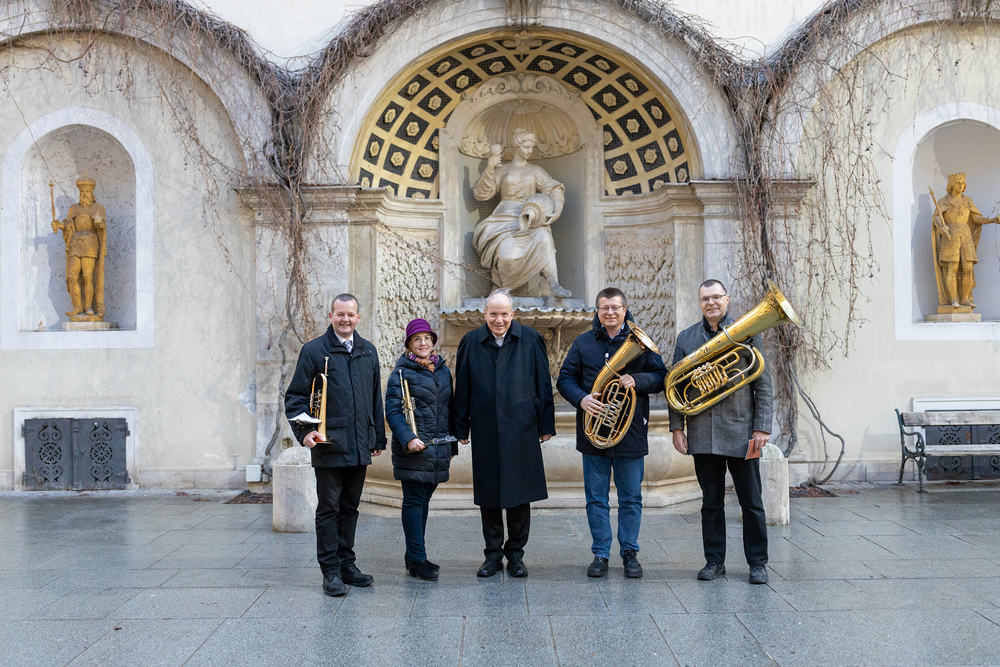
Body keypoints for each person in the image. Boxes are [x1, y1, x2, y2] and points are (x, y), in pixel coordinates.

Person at [557, 288, 666, 579]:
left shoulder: (641, 342)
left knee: (631, 498)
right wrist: (581, 399)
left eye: (615, 307)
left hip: (630, 431)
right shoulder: (583, 342)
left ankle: (629, 552)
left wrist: (637, 379)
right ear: (597, 311)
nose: (610, 312)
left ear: (625, 310)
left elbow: (661, 377)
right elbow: (565, 379)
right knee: (596, 498)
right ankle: (600, 554)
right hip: (594, 432)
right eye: (604, 308)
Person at [670, 279, 773, 585]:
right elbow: (674, 384)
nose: (711, 303)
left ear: (727, 299)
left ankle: (757, 563)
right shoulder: (687, 337)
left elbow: (763, 384)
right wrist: (677, 427)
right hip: (703, 432)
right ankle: (714, 561)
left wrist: (761, 427)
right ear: (700, 303)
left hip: (742, 430)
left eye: (716, 297)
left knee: (751, 502)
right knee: (711, 503)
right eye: (705, 298)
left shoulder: (748, 332)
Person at [284, 294, 385, 597]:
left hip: (359, 442)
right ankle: (330, 571)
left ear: (358, 317)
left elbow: (375, 398)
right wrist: (305, 432)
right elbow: (296, 397)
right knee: (329, 509)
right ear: (330, 316)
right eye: (340, 314)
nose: (345, 319)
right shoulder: (314, 351)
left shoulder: (368, 351)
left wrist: (377, 437)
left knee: (350, 508)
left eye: (350, 314)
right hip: (328, 444)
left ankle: (347, 565)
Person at [453, 289, 556, 578]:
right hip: (485, 427)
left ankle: (516, 556)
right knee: (489, 494)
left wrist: (545, 424)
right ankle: (493, 556)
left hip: (522, 426)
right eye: (494, 314)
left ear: (513, 314)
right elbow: (463, 385)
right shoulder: (471, 341)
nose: (499, 320)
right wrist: (460, 425)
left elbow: (543, 383)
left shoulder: (530, 339)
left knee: (520, 494)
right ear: (484, 314)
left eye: (504, 314)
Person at [384, 318, 458, 582]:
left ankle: (413, 554)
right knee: (414, 501)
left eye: (427, 338)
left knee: (423, 500)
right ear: (409, 345)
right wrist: (408, 439)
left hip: (437, 448)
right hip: (414, 448)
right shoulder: (400, 373)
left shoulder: (442, 371)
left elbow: (449, 410)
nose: (423, 343)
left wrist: (452, 446)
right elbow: (393, 411)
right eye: (417, 339)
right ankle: (417, 559)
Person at [472, 128, 571, 297]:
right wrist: (490, 167)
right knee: (505, 253)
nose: (529, 151)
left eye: (531, 147)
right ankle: (505, 286)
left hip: (529, 217)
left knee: (544, 237)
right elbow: (481, 194)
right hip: (504, 219)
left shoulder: (535, 170)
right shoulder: (503, 170)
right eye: (526, 147)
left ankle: (553, 282)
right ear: (516, 147)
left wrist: (557, 209)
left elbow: (554, 188)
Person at [931, 172, 998, 308]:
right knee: (953, 267)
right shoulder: (944, 200)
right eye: (958, 183)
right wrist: (941, 226)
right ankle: (953, 300)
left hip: (966, 235)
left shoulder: (967, 201)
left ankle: (965, 299)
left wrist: (991, 220)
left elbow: (975, 218)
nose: (961, 185)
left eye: (962, 183)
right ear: (951, 184)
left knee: (968, 268)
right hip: (951, 235)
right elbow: (937, 216)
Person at [52, 174, 107, 319]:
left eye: (87, 191)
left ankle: (88, 306)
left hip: (90, 243)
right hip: (75, 244)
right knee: (72, 276)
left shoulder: (98, 208)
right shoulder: (74, 208)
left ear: (92, 193)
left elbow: (102, 228)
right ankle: (77, 306)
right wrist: (59, 225)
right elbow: (69, 225)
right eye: (82, 191)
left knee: (88, 276)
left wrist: (99, 224)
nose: (84, 194)